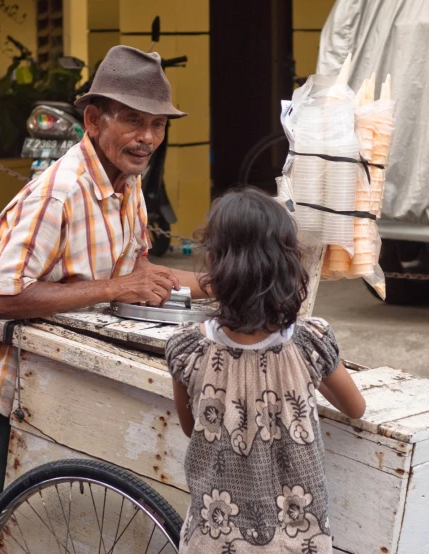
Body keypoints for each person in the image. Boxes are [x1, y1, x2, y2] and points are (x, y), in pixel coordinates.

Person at [0, 44, 208, 547]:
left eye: (158, 125)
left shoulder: (125, 180)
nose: (148, 139)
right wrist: (119, 287)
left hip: (59, 369)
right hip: (8, 382)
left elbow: (136, 268)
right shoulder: (62, 192)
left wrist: (209, 283)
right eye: (134, 121)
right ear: (94, 120)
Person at [165, 187, 366, 553]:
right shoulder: (309, 343)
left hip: (215, 536)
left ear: (212, 263)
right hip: (297, 540)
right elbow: (355, 408)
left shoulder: (187, 350)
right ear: (288, 264)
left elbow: (191, 426)